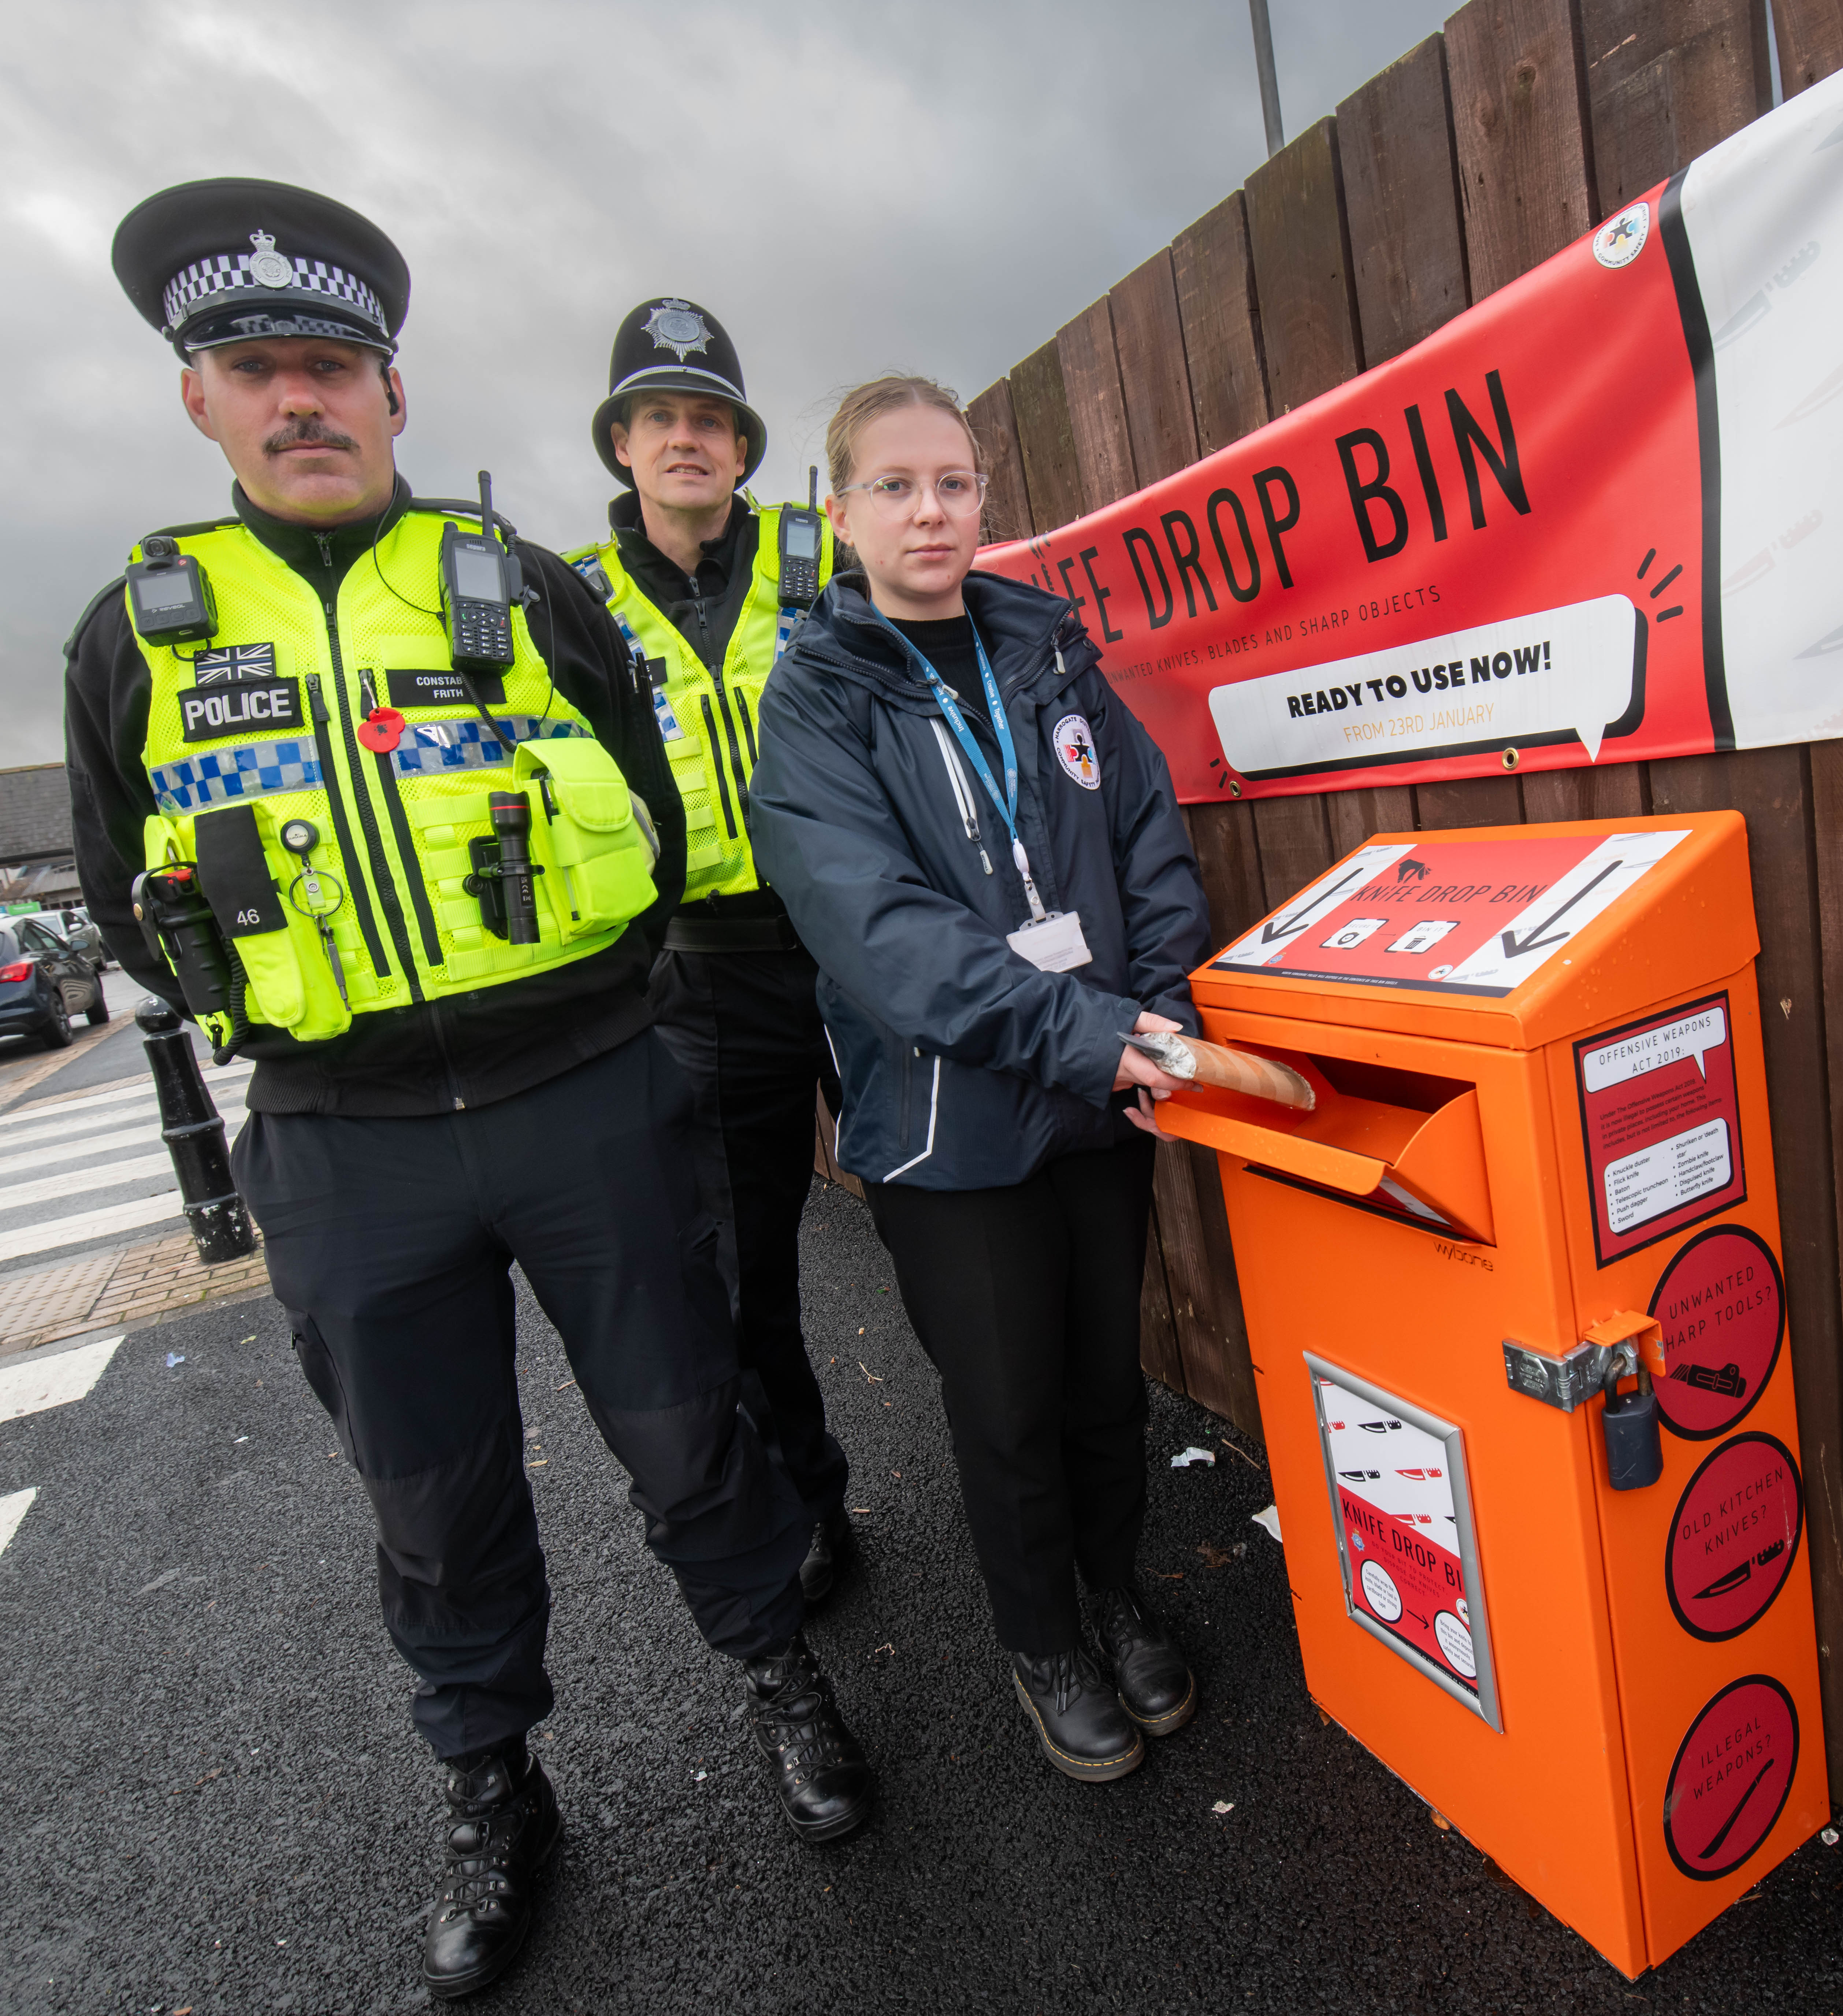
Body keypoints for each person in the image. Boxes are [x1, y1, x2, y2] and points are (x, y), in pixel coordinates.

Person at [63, 179, 873, 2003]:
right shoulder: (139, 636)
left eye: (332, 366)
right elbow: (129, 892)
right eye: (256, 370)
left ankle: (781, 1674)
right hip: (342, 1140)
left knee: (687, 1423)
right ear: (201, 400)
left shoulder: (521, 589)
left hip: (582, 1086)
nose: (301, 401)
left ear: (396, 391)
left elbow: (654, 831)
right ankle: (495, 1783)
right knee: (430, 1491)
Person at [749, 376, 1212, 1782]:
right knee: (1004, 1405)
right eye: (894, 486)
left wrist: (1162, 1009)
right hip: (951, 1129)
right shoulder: (817, 698)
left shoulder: (1051, 657)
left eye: (951, 482)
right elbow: (884, 937)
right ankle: (1042, 1641)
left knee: (1103, 1387)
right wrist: (1097, 1036)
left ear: (984, 498)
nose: (929, 509)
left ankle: (1112, 1592)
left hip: (1101, 1091)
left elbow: (1146, 838)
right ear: (841, 513)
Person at [564, 301, 850, 1602]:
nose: (688, 438)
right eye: (660, 417)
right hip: (700, 967)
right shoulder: (562, 600)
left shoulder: (825, 557)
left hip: (859, 934)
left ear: (742, 446)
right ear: (622, 442)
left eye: (711, 419)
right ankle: (809, 1503)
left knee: (955, 1226)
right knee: (745, 1282)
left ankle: (1025, 1517)